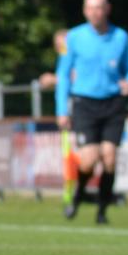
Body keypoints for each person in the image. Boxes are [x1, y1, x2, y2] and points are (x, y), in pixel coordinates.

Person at [54, 0, 128, 224]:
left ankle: (102, 211)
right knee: (89, 160)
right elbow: (63, 74)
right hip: (85, 103)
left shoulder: (121, 37)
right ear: (84, 11)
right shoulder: (74, 38)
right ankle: (77, 196)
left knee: (109, 158)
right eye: (89, 8)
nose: (94, 13)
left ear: (107, 9)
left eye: (98, 8)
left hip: (113, 103)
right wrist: (61, 110)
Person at [38, 29, 84, 207]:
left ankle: (80, 190)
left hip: (82, 110)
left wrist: (54, 79)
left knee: (83, 153)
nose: (60, 47)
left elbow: (77, 77)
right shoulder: (63, 59)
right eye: (57, 44)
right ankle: (69, 192)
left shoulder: (77, 56)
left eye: (62, 43)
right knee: (68, 155)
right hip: (67, 113)